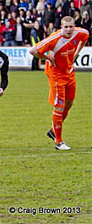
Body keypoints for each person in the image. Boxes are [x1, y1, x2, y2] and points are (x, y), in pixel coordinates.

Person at [29, 16, 89, 150]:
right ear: (61, 27)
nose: (68, 29)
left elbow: (85, 38)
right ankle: (58, 141)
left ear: (74, 26)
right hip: (56, 75)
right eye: (66, 27)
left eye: (71, 27)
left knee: (69, 103)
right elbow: (33, 51)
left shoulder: (81, 33)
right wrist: (48, 58)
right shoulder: (54, 39)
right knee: (59, 107)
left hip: (69, 72)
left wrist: (77, 53)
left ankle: (52, 130)